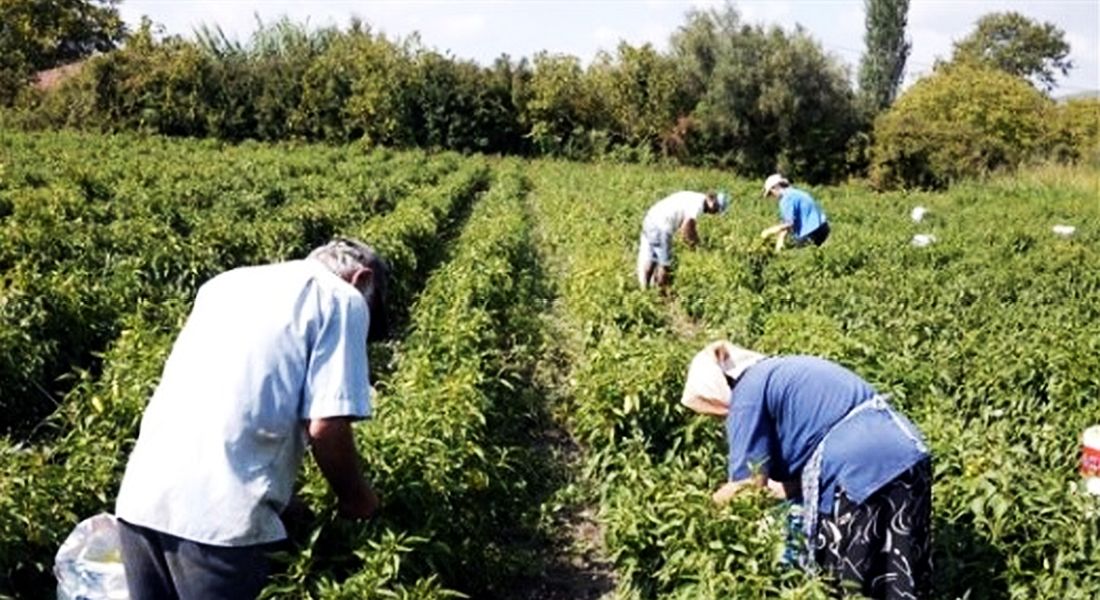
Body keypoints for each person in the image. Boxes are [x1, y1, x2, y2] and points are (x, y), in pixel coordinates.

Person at [114, 238, 390, 600]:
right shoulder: (341, 297)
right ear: (362, 279)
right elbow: (328, 426)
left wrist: (281, 498)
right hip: (219, 525)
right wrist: (359, 499)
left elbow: (232, 403)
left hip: (140, 504)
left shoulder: (227, 284)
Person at [681, 341, 932, 599]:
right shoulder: (781, 371)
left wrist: (700, 511)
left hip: (859, 470)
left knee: (853, 582)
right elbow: (799, 469)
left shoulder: (747, 392)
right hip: (907, 453)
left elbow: (747, 486)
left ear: (719, 390)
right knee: (898, 572)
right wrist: (781, 490)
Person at [637, 190, 728, 289]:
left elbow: (689, 227)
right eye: (717, 209)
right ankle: (663, 295)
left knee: (653, 258)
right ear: (713, 202)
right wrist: (696, 246)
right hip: (661, 226)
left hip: (651, 219)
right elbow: (686, 229)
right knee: (665, 265)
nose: (714, 213)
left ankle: (645, 289)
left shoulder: (695, 197)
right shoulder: (698, 205)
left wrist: (694, 239)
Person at [759, 174, 830, 251]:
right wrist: (780, 240)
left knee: (795, 255)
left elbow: (789, 223)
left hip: (811, 231)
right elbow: (787, 224)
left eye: (770, 193)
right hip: (823, 227)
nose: (772, 196)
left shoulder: (786, 199)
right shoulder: (793, 192)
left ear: (775, 187)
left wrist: (769, 231)